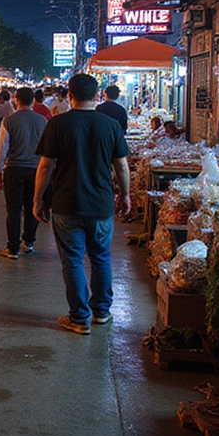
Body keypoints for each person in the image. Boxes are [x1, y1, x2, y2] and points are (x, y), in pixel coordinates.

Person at [33, 73, 130, 335]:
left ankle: (79, 317)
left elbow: (45, 165)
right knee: (101, 257)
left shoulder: (57, 124)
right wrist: (125, 194)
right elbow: (121, 164)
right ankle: (101, 312)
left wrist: (38, 197)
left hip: (66, 203)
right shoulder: (110, 125)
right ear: (97, 95)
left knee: (73, 260)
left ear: (70, 95)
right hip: (100, 204)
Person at [0, 87, 49, 259]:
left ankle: (13, 248)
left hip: (14, 169)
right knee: (34, 206)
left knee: (14, 210)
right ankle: (29, 242)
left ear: (16, 100)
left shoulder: (9, 120)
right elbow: (47, 149)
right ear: (33, 101)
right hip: (36, 170)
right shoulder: (42, 121)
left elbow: (2, 148)